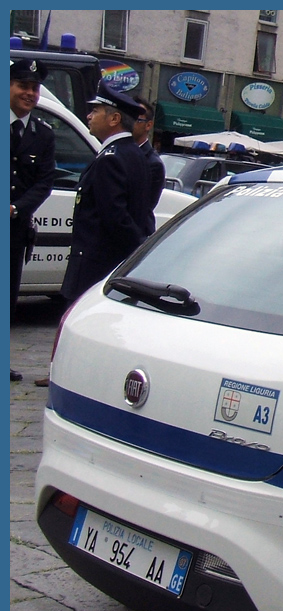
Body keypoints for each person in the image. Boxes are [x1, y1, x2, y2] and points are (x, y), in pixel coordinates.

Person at [59, 82, 151, 303]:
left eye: (95, 111)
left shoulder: (110, 159)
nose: (89, 116)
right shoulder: (133, 153)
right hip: (112, 262)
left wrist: (136, 249)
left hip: (97, 265)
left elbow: (115, 217)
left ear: (114, 119)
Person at [10, 58, 56, 381]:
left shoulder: (43, 134)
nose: (30, 93)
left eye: (35, 88)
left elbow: (45, 181)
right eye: (23, 86)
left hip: (14, 228)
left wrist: (16, 209)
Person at [132, 96, 164, 234]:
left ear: (148, 125)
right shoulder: (119, 152)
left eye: (137, 119)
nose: (130, 123)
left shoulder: (152, 163)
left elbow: (142, 207)